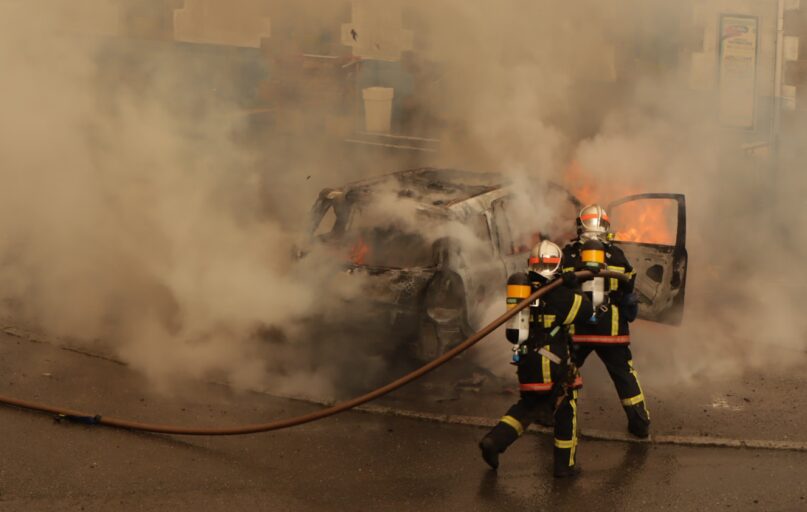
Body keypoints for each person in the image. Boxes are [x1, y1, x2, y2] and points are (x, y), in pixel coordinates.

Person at [479, 240, 594, 478]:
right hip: (553, 366)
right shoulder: (561, 294)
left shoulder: (524, 289)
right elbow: (587, 312)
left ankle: (494, 441)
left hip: (527, 362)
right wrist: (573, 286)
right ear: (558, 266)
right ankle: (565, 466)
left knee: (527, 407)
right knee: (565, 410)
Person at [561, 204, 650, 438]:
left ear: (580, 227)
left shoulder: (569, 254)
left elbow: (556, 287)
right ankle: (639, 422)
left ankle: (551, 416)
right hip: (611, 332)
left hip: (576, 331)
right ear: (606, 227)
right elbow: (628, 284)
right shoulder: (617, 256)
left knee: (564, 372)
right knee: (623, 374)